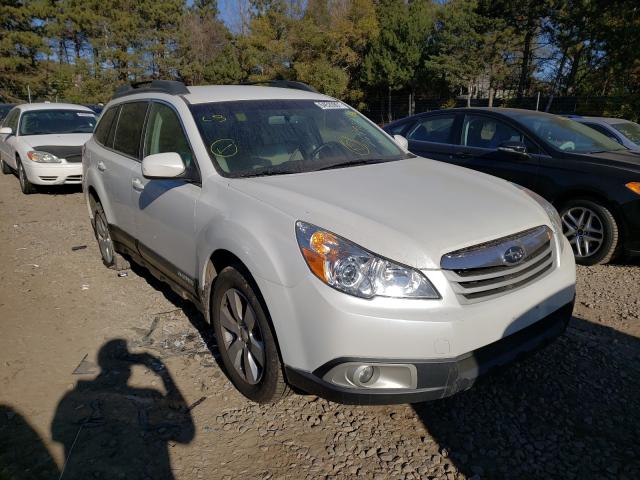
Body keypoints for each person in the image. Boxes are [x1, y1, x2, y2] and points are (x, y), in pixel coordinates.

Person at [51, 339, 194, 479]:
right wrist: (163, 372)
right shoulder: (149, 396)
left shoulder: (75, 397)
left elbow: (59, 434)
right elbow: (187, 434)